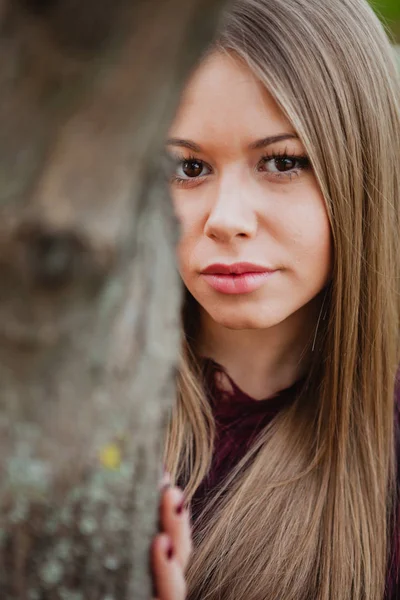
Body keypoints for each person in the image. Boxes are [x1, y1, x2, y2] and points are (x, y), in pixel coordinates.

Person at [151, 0, 400, 598]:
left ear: (362, 166)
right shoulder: (62, 408)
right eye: (188, 168)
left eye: (282, 161)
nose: (226, 220)